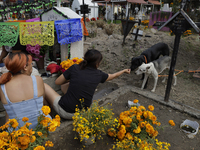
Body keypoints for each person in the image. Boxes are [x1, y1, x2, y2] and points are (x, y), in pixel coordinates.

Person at [44, 49, 131, 120]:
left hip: (65, 111)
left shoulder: (75, 68)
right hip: (83, 112)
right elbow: (113, 76)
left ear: (84, 58)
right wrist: (123, 70)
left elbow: (57, 82)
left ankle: (49, 117)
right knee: (66, 86)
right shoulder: (99, 74)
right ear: (98, 63)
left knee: (44, 85)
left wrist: (71, 77)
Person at [0, 52, 51, 129]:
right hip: (43, 128)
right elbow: (43, 105)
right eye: (31, 64)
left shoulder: (3, 86)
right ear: (25, 67)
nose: (32, 66)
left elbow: (8, 114)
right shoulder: (37, 80)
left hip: (18, 134)